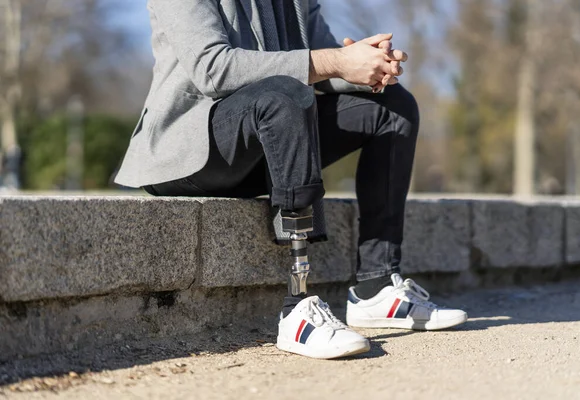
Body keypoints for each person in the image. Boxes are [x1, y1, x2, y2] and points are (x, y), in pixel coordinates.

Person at [115, 0, 468, 360]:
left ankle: (376, 288)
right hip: (190, 150)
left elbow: (324, 67)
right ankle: (297, 309)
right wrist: (337, 62)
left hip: (268, 141)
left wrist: (367, 66)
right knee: (286, 95)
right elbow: (214, 69)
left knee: (392, 106)